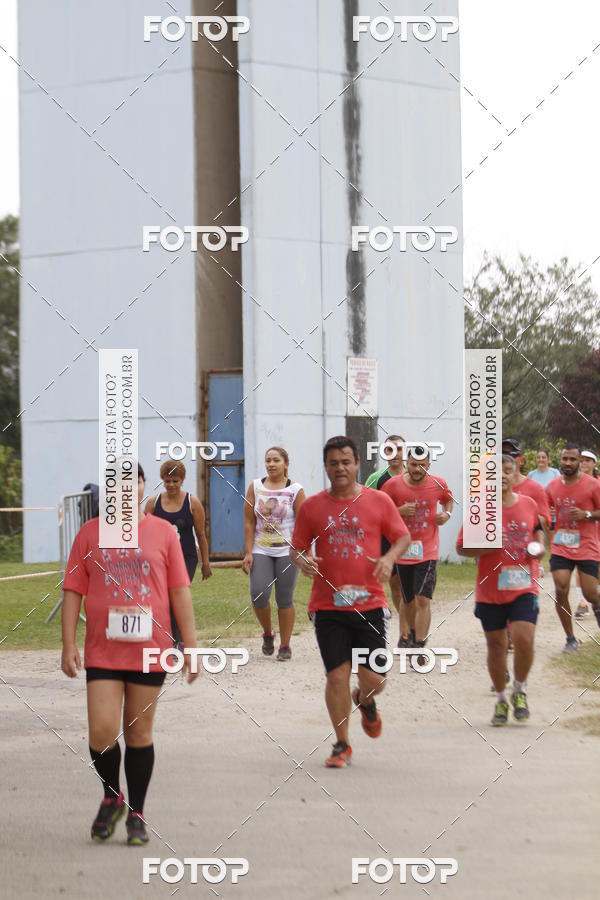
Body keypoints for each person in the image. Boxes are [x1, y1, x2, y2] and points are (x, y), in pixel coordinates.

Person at [61, 464, 197, 845]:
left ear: (141, 486)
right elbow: (73, 588)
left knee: (138, 733)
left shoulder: (163, 532)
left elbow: (179, 590)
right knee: (102, 732)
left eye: (130, 480)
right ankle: (111, 795)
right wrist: (68, 643)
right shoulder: (90, 533)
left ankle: (136, 811)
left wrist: (191, 645)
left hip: (150, 649)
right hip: (103, 650)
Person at [290, 435, 410, 768]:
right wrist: (302, 561)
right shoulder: (312, 506)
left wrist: (389, 559)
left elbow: (402, 536)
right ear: (325, 467)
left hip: (370, 603)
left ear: (357, 463)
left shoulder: (378, 501)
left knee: (374, 678)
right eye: (333, 462)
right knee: (337, 676)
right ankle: (341, 744)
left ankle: (365, 700)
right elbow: (296, 548)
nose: (340, 467)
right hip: (327, 606)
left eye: (346, 461)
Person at [457, 455, 545, 725]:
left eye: (507, 471)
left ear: (514, 473)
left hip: (523, 586)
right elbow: (461, 548)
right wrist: (488, 545)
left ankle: (519, 689)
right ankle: (501, 701)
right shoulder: (479, 510)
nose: (502, 476)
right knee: (496, 646)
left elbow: (538, 532)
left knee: (524, 639)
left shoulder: (529, 504)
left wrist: (538, 548)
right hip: (490, 590)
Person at [381, 446, 453, 665]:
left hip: (428, 550)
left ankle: (419, 645)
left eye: (422, 465)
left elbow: (448, 498)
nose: (417, 469)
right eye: (413, 465)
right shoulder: (393, 485)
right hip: (403, 550)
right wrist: (399, 511)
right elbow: (380, 508)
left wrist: (446, 514)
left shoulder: (437, 483)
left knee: (423, 598)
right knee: (407, 599)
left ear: (429, 466)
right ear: (407, 464)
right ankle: (407, 635)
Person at [242, 447, 305, 660]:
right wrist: (248, 552)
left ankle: (285, 645)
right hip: (261, 549)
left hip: (287, 551)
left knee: (284, 599)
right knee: (259, 594)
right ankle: (268, 633)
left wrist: (304, 551)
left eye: (276, 460)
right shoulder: (255, 486)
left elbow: (305, 523)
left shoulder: (296, 489)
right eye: (268, 460)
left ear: (286, 463)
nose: (271, 464)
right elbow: (249, 521)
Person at [145, 460, 211, 644]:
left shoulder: (192, 502)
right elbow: (145, 534)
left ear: (182, 480)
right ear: (162, 481)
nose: (171, 485)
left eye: (175, 481)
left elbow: (201, 534)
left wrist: (206, 563)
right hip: (161, 560)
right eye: (167, 481)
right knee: (164, 599)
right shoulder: (153, 503)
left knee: (177, 597)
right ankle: (168, 639)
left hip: (187, 558)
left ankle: (180, 641)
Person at [545, 444, 600, 652]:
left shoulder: (593, 485)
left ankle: (596, 605)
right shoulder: (551, 487)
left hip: (586, 545)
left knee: (591, 593)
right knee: (560, 588)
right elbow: (546, 513)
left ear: (579, 462)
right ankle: (570, 638)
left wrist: (586, 515)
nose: (568, 463)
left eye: (573, 459)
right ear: (560, 460)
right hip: (562, 545)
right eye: (565, 459)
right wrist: (548, 524)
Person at [364, 435, 411, 646]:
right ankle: (405, 626)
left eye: (398, 449)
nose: (394, 454)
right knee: (395, 584)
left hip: (412, 540)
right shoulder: (376, 479)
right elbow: (367, 509)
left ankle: (407, 628)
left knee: (409, 586)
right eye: (389, 450)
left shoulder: (415, 475)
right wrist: (398, 511)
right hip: (385, 539)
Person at [574, 449, 599, 618]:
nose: (584, 463)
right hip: (581, 532)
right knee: (580, 566)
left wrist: (588, 515)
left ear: (594, 464)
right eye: (581, 460)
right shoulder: (573, 482)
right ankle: (582, 602)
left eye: (587, 460)